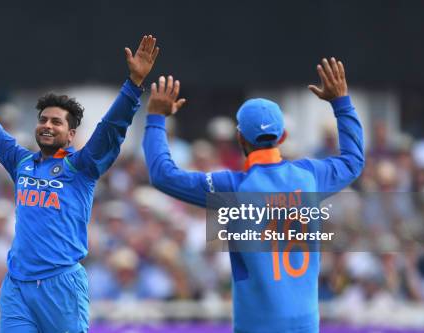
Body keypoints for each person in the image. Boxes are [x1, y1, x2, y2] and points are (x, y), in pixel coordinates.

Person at [0, 28, 159, 332]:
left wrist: (133, 87)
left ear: (71, 134)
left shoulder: (82, 167)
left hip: (61, 286)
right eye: (43, 120)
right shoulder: (20, 161)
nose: (47, 125)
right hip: (17, 287)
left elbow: (110, 129)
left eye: (56, 122)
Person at [142, 58, 364, 332]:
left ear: (240, 138)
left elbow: (163, 175)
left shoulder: (232, 187)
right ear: (282, 137)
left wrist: (155, 119)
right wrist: (341, 102)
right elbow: (354, 160)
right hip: (305, 324)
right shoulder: (310, 176)